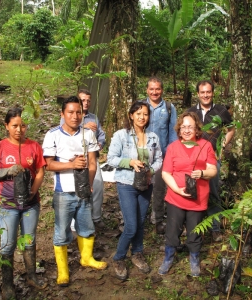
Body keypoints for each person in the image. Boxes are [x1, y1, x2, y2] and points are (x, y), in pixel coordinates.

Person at [42, 96, 107, 287]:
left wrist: (88, 182)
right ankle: (63, 271)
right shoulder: (53, 135)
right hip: (64, 192)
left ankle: (86, 258)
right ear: (62, 114)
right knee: (62, 231)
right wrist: (71, 164)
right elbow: (48, 164)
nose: (75, 116)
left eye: (78, 112)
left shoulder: (88, 134)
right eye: (70, 112)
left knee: (86, 226)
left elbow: (93, 162)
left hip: (83, 190)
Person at [0, 107, 47, 300]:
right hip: (7, 205)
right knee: (7, 245)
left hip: (30, 204)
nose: (19, 130)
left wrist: (33, 191)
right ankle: (7, 285)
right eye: (14, 126)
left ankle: (31, 276)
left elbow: (40, 171)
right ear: (6, 126)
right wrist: (7, 171)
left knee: (29, 241)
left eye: (22, 126)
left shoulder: (34, 146)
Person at [107, 101, 162, 280]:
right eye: (138, 114)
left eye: (145, 114)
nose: (141, 117)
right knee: (131, 225)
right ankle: (119, 257)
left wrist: (151, 171)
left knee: (140, 221)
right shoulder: (121, 135)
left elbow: (159, 159)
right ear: (131, 115)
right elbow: (111, 159)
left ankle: (137, 253)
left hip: (146, 184)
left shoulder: (153, 137)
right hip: (126, 184)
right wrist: (129, 162)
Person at [158, 112, 217, 277]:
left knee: (195, 230)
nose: (186, 130)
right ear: (179, 129)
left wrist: (202, 173)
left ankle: (194, 258)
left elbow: (213, 169)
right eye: (183, 127)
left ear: (197, 128)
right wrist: (177, 189)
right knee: (172, 229)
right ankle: (169, 257)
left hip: (198, 199)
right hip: (176, 197)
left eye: (190, 126)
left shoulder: (205, 146)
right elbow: (166, 173)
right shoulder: (173, 147)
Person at [188, 80, 235, 242]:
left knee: (213, 192)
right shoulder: (191, 111)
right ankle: (197, 227)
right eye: (202, 92)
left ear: (213, 93)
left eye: (208, 92)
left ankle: (215, 228)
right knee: (195, 192)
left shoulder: (221, 110)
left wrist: (222, 145)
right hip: (194, 159)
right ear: (198, 94)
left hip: (212, 159)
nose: (205, 95)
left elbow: (231, 128)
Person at [61, 89, 106, 230]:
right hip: (75, 159)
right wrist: (83, 127)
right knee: (76, 188)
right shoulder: (68, 115)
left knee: (97, 186)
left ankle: (96, 217)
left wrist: (99, 144)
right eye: (83, 100)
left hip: (92, 157)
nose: (85, 103)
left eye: (88, 100)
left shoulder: (94, 117)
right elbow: (64, 130)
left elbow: (101, 135)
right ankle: (74, 222)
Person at [145, 76, 178, 234]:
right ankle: (136, 219)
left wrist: (171, 154)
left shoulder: (169, 108)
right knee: (140, 186)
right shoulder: (141, 106)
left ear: (162, 90)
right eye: (151, 89)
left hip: (161, 155)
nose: (154, 92)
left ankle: (157, 219)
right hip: (142, 154)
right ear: (147, 90)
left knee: (158, 188)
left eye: (157, 89)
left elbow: (173, 132)